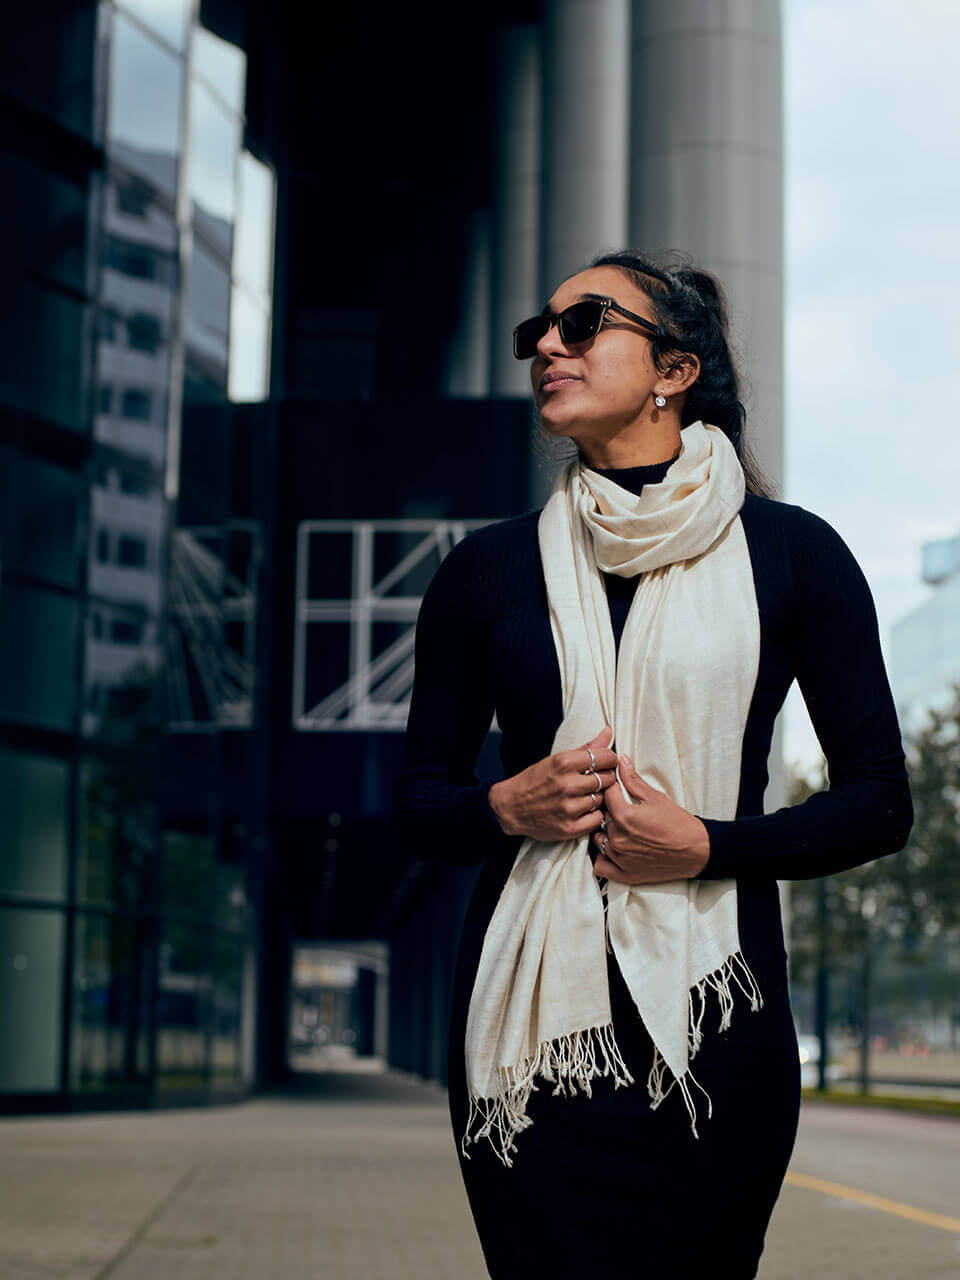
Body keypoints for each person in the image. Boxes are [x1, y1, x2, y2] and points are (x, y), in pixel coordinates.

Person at [392, 249, 913, 1279]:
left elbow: (879, 801)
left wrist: (709, 843)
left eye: (584, 323)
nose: (547, 344)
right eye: (536, 332)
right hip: (531, 1044)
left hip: (720, 1031)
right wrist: (508, 802)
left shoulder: (796, 555)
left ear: (674, 369)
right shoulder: (486, 569)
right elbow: (419, 801)